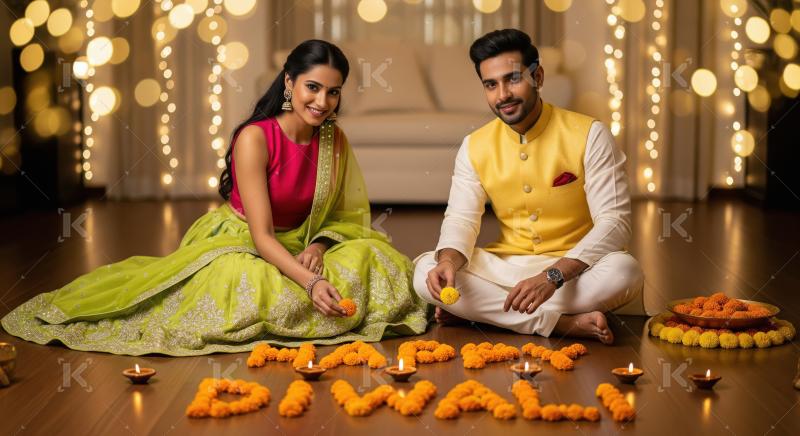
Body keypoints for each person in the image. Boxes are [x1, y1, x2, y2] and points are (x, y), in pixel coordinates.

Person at [2, 40, 428, 356]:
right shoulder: (255, 139)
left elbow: (343, 215)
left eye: (333, 92)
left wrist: (319, 246)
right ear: (289, 82)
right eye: (312, 88)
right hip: (245, 240)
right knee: (241, 286)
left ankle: (305, 307)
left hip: (306, 240)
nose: (322, 102)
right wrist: (311, 281)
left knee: (384, 263)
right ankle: (304, 307)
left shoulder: (334, 140)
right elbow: (262, 236)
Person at [413, 29, 644, 344]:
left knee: (624, 272)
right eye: (491, 85)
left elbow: (615, 224)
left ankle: (481, 312)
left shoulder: (590, 134)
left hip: (574, 270)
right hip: (507, 265)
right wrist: (449, 262)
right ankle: (559, 324)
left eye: (513, 79)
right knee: (426, 272)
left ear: (538, 76)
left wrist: (552, 277)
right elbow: (461, 220)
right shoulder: (474, 145)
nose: (503, 94)